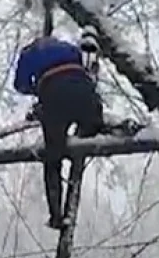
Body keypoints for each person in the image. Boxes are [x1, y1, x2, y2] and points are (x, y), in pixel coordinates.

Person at [12, 33, 105, 230]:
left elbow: (20, 85)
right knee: (92, 129)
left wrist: (38, 91)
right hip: (84, 89)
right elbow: (78, 71)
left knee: (53, 156)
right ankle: (93, 138)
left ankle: (57, 215)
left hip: (54, 93)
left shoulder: (29, 52)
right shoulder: (70, 48)